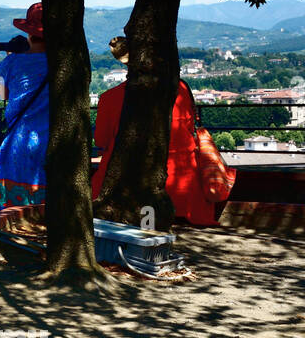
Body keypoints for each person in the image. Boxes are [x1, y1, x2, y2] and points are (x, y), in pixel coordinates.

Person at [91, 36, 218, 226]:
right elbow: (190, 127)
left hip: (128, 186)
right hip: (186, 191)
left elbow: (101, 140)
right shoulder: (181, 90)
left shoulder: (109, 98)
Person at [0, 3, 49, 209]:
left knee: (12, 213)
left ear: (28, 34)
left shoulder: (10, 63)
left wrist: (6, 63)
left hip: (17, 144)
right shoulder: (62, 63)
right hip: (51, 142)